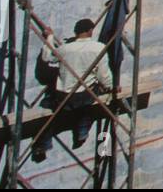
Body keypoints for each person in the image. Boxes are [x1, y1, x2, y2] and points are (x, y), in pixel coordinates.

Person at [30, 17, 115, 162]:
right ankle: (81, 133)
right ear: (90, 31)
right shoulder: (99, 48)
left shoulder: (64, 49)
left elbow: (47, 57)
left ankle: (43, 145)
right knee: (88, 108)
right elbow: (103, 75)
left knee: (49, 112)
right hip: (85, 96)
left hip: (65, 97)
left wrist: (49, 37)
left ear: (76, 32)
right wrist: (110, 88)